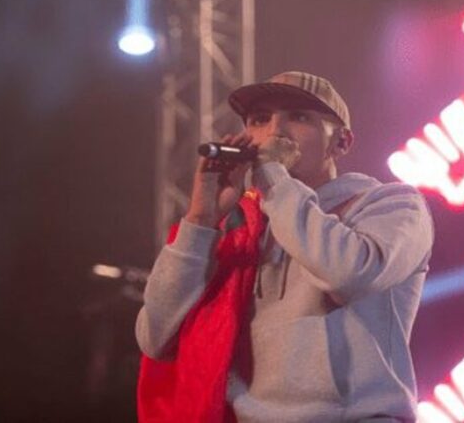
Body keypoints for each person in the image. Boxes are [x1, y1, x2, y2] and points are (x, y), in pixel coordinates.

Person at [135, 71, 434, 422]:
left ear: (341, 142)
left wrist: (274, 180)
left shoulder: (392, 205)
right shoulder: (236, 229)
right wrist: (200, 220)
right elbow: (156, 338)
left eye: (299, 117)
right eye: (260, 119)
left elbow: (348, 274)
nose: (276, 131)